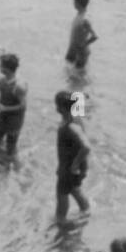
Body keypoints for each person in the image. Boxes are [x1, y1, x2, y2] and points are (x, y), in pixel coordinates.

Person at [54, 90, 91, 222]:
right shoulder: (75, 117)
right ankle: (86, 211)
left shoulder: (70, 127)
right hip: (72, 167)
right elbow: (79, 97)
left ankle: (60, 220)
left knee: (61, 194)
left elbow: (86, 146)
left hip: (69, 168)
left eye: (57, 105)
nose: (56, 108)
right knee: (75, 189)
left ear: (63, 108)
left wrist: (74, 164)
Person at [65, 0, 98, 70]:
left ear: (79, 3)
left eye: (75, 2)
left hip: (80, 53)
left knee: (78, 76)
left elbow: (94, 36)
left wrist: (84, 45)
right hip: (72, 48)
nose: (73, 3)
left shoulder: (85, 19)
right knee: (68, 73)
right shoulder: (79, 14)